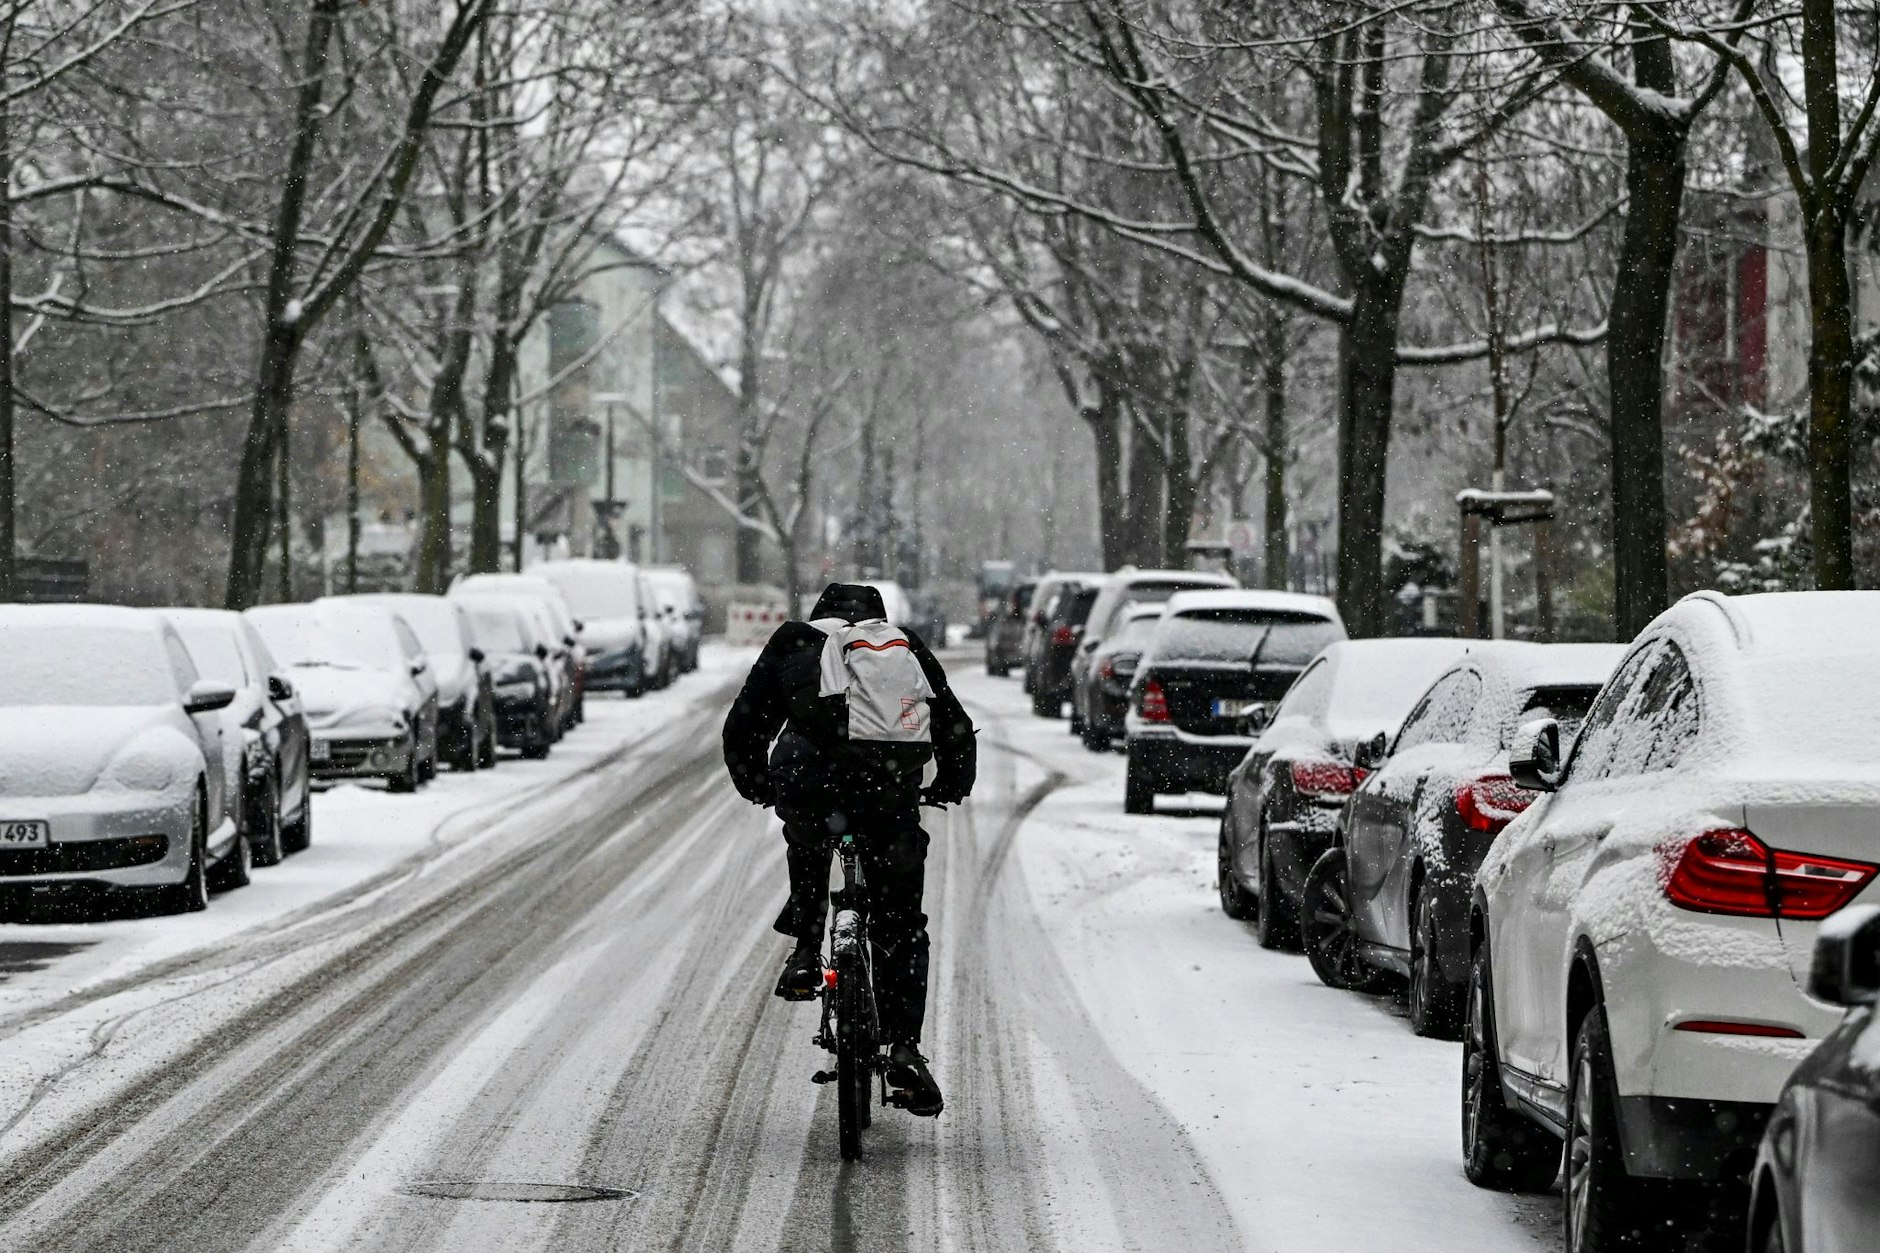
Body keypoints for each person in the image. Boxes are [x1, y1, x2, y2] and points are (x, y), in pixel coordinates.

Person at [722, 583, 975, 1118]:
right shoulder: (903, 644)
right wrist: (950, 783)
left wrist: (759, 786)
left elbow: (744, 724)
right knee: (903, 922)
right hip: (888, 794)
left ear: (820, 616)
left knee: (809, 835)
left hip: (814, 786)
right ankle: (903, 1044)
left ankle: (807, 953)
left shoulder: (796, 642)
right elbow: (952, 724)